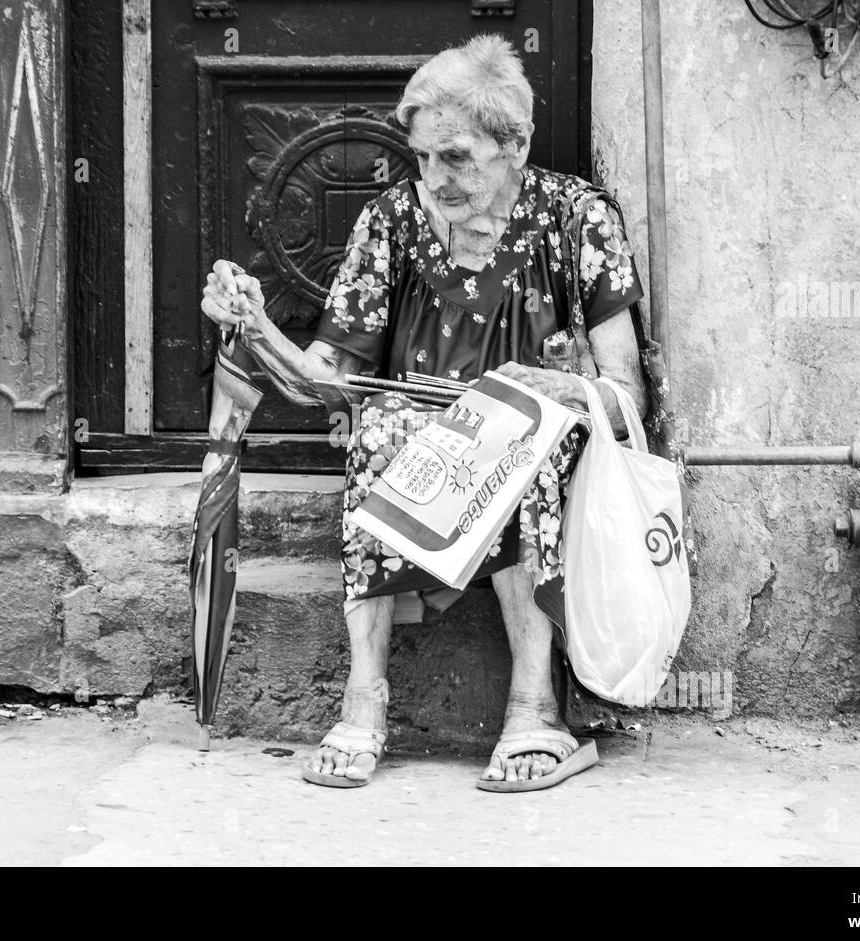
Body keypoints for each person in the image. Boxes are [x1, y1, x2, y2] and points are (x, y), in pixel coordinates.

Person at [201, 34, 651, 791]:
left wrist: (550, 390)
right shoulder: (392, 224)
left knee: (517, 434)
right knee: (378, 428)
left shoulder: (579, 221)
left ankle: (535, 707)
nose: (433, 178)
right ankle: (366, 693)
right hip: (416, 453)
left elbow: (624, 392)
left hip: (534, 461)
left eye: (456, 157)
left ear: (516, 144)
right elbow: (327, 383)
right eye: (422, 158)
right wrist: (255, 326)